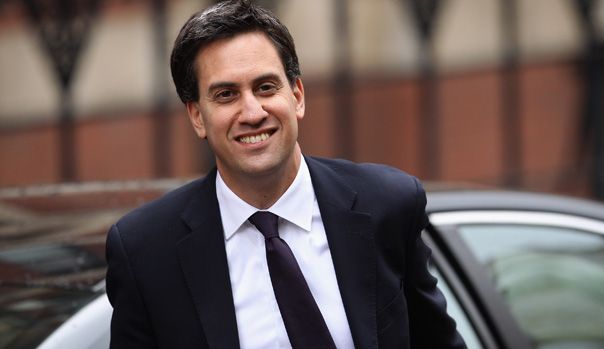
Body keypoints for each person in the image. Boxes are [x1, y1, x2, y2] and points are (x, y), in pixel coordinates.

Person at [105, 0, 466, 348]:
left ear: (297, 96)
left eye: (265, 87)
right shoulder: (145, 253)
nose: (252, 112)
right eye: (226, 94)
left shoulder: (387, 205)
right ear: (197, 116)